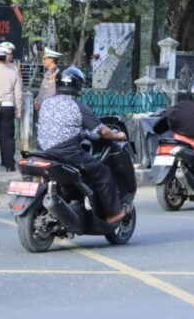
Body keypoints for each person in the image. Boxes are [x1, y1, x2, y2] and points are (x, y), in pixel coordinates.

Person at [37, 66, 130, 224]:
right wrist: (118, 135)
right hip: (66, 152)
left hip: (43, 151)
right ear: (78, 86)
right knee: (103, 172)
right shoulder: (78, 107)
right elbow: (104, 132)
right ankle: (113, 213)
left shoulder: (46, 103)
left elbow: (61, 126)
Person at [34, 47, 62, 111]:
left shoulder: (56, 73)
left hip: (51, 108)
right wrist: (37, 100)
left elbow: (51, 92)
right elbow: (43, 90)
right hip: (43, 106)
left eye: (44, 59)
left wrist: (41, 103)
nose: (43, 61)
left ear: (51, 60)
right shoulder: (48, 73)